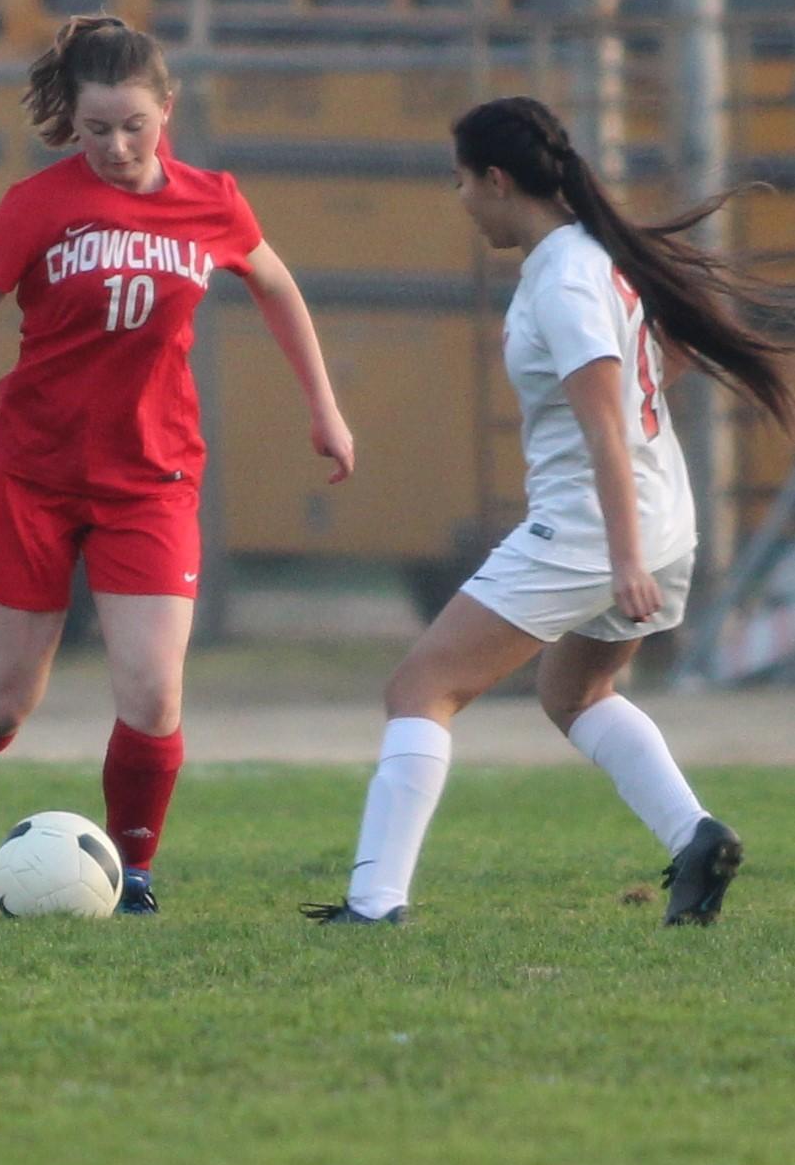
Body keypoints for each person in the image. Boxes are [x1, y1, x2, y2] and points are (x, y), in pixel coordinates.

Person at [0, 15, 355, 912]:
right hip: (30, 469)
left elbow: (274, 284)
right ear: (70, 118)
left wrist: (324, 406)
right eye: (94, 127)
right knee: (3, 699)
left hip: (151, 476)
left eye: (131, 126)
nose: (113, 146)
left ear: (166, 112)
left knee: (151, 691)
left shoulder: (212, 200)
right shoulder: (36, 203)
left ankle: (135, 872)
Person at [305, 95, 788, 927]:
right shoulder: (595, 256)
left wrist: (625, 558)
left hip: (598, 526)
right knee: (575, 691)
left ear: (496, 180)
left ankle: (373, 902)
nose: (459, 201)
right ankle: (695, 834)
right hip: (659, 511)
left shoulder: (565, 275)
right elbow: (656, 361)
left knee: (419, 687)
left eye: (461, 183)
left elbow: (603, 423)